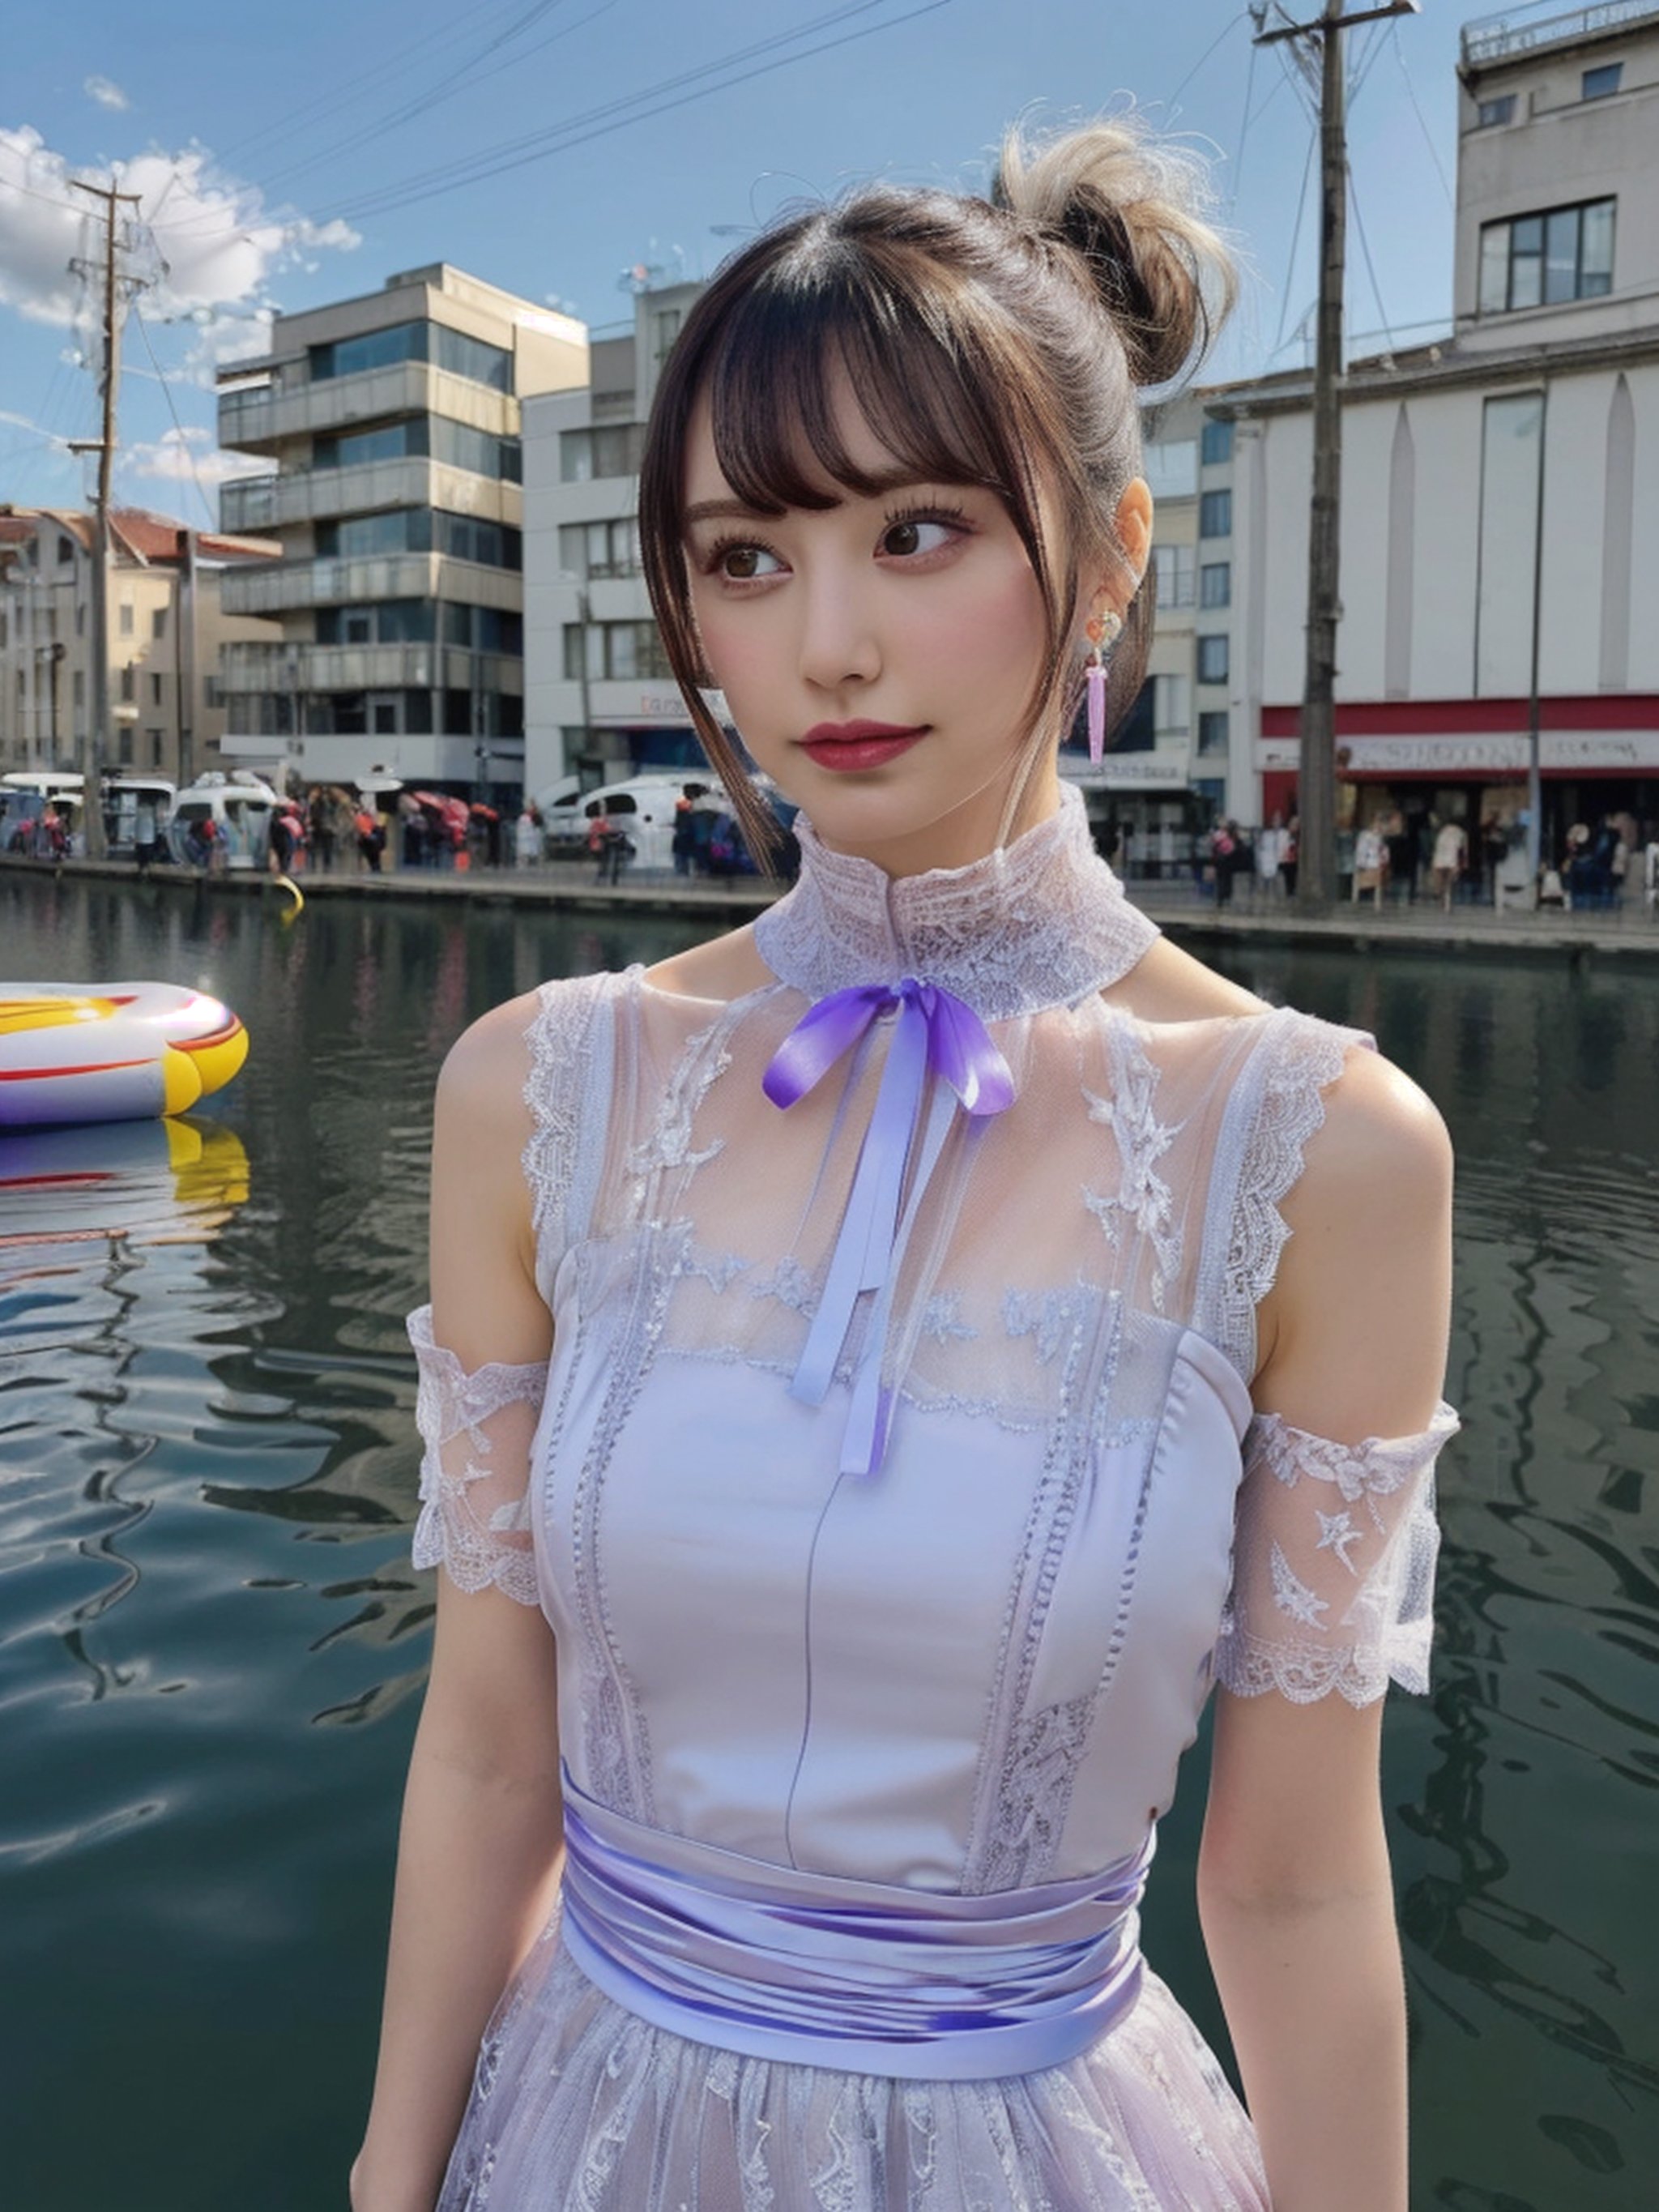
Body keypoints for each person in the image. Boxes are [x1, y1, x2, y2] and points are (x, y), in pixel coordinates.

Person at [355, 117, 1457, 2212]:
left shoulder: (1318, 1147)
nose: (826, 646)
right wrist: (387, 2178)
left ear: (1113, 558)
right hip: (582, 2133)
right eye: (746, 556)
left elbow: (1299, 1880)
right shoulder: (539, 1089)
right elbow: (495, 1747)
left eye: (921, 532)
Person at [1431, 814, 1466, 912]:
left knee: (1441, 880)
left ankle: (1440, 894)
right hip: (1452, 860)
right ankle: (1448, 899)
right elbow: (1462, 849)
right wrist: (1463, 863)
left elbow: (1436, 846)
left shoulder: (1442, 831)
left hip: (1439, 859)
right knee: (1450, 882)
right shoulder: (1461, 833)